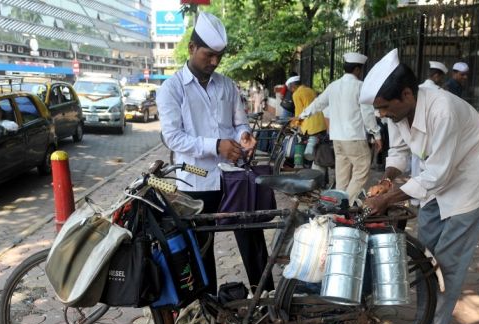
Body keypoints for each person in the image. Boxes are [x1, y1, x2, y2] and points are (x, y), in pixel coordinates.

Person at [359, 49, 479, 324]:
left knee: (445, 270)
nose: (383, 115)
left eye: (385, 108)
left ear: (406, 94)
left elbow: (440, 173)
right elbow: (400, 154)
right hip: (432, 188)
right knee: (425, 264)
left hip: (465, 189)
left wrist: (387, 199)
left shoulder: (443, 109)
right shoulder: (395, 110)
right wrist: (388, 179)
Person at [157, 12, 273, 294]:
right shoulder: (171, 89)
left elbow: (239, 123)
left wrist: (243, 136)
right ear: (192, 49)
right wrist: (216, 145)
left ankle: (265, 299)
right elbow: (173, 138)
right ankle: (208, 310)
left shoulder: (227, 85)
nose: (214, 62)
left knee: (251, 237)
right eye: (208, 55)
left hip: (233, 177)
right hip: (195, 181)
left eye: (218, 56)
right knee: (201, 247)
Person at [299, 52, 382, 202]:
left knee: (342, 177)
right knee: (361, 170)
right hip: (354, 138)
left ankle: (336, 207)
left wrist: (302, 115)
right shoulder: (360, 86)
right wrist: (377, 135)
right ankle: (346, 203)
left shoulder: (333, 86)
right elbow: (368, 113)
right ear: (357, 69)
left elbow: (319, 103)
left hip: (337, 138)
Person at [411, 61, 448, 206]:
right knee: (429, 168)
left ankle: (414, 197)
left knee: (415, 165)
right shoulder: (440, 93)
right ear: (437, 76)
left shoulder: (417, 90)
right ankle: (424, 199)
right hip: (431, 137)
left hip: (415, 135)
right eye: (442, 77)